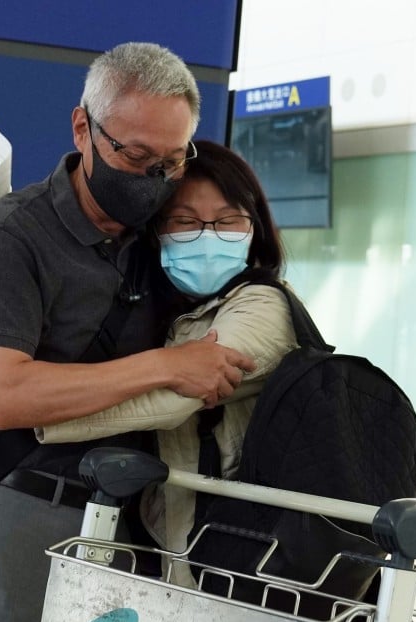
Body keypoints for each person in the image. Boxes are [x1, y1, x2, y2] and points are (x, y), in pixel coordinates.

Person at [0, 43, 255, 622]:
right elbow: (9, 397)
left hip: (130, 525)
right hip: (17, 515)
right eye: (135, 156)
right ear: (84, 127)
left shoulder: (166, 234)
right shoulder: (11, 237)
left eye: (172, 160)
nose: (154, 179)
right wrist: (164, 365)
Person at [31, 140, 298, 586]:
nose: (208, 236)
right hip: (173, 544)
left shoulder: (263, 308)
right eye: (185, 221)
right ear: (157, 232)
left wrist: (26, 408)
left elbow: (170, 400)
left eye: (228, 220)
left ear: (255, 229)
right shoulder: (173, 309)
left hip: (237, 558)